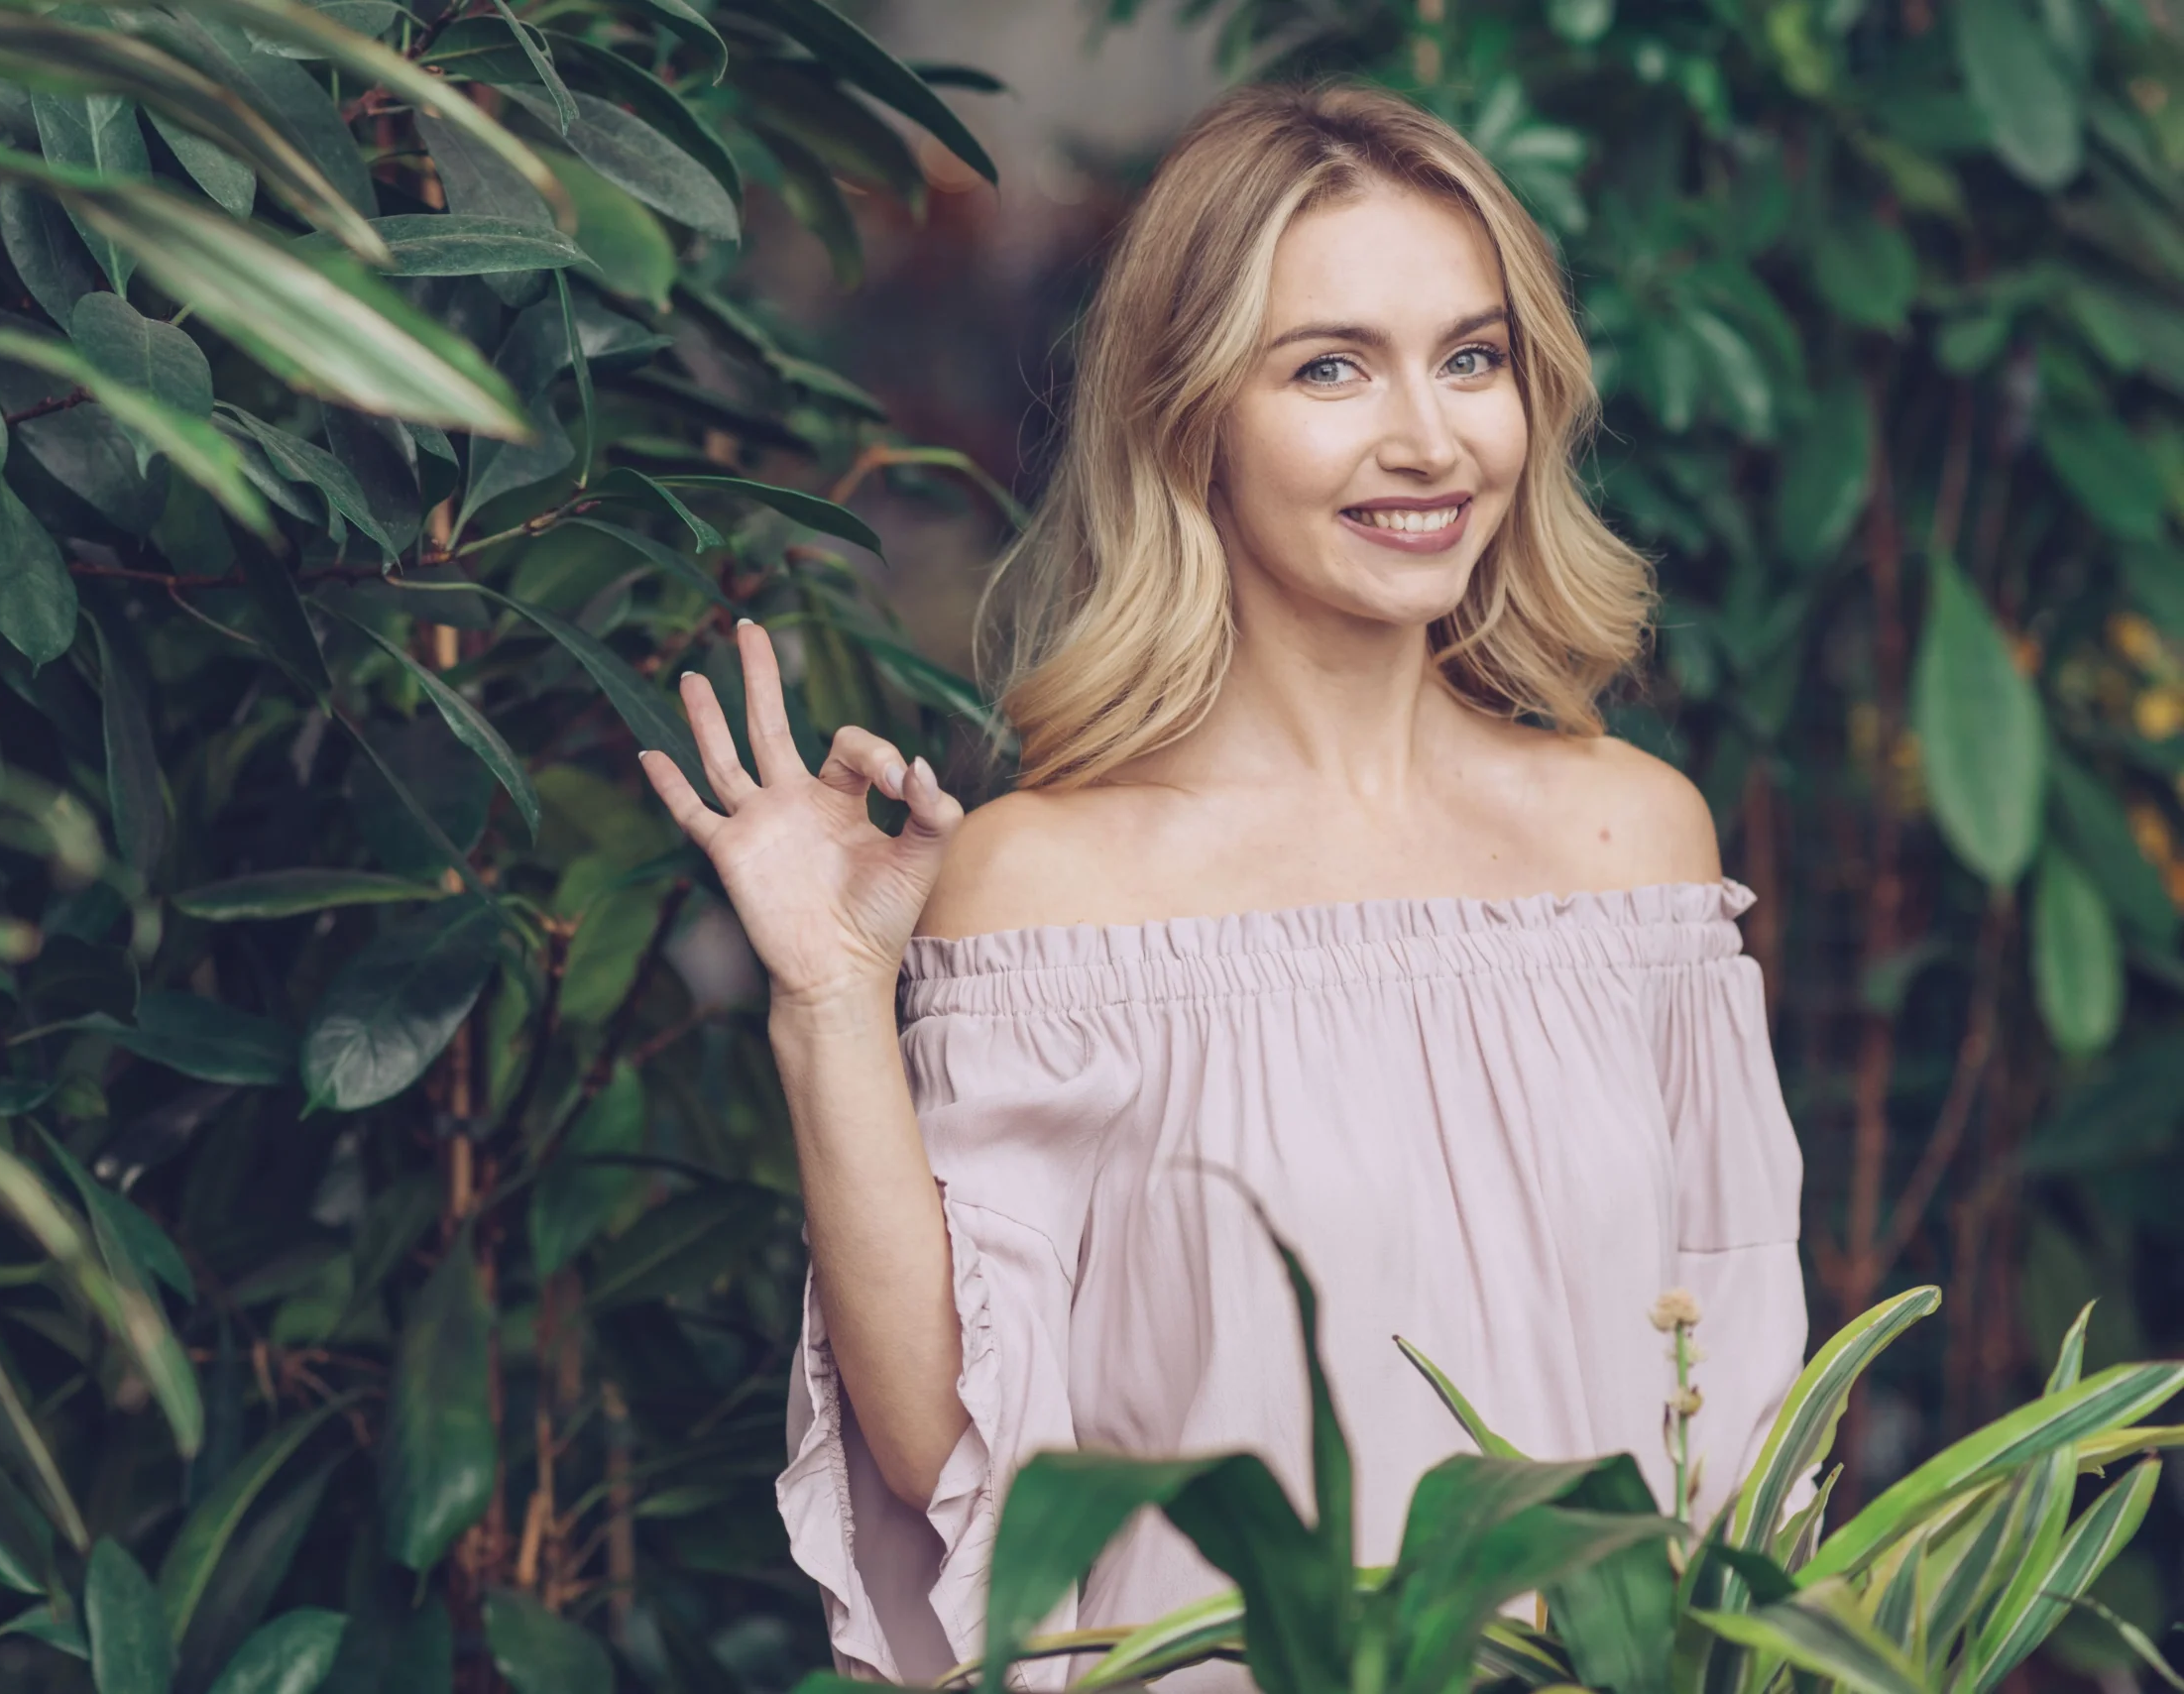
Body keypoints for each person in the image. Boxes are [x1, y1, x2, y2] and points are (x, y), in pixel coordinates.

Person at [637, 80, 1805, 1691]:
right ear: (1192, 421)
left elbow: (1735, 1426)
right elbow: (947, 1444)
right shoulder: (1048, 882)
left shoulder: (1633, 846)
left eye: (1472, 358)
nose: (1428, 436)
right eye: (1331, 367)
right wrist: (832, 1004)